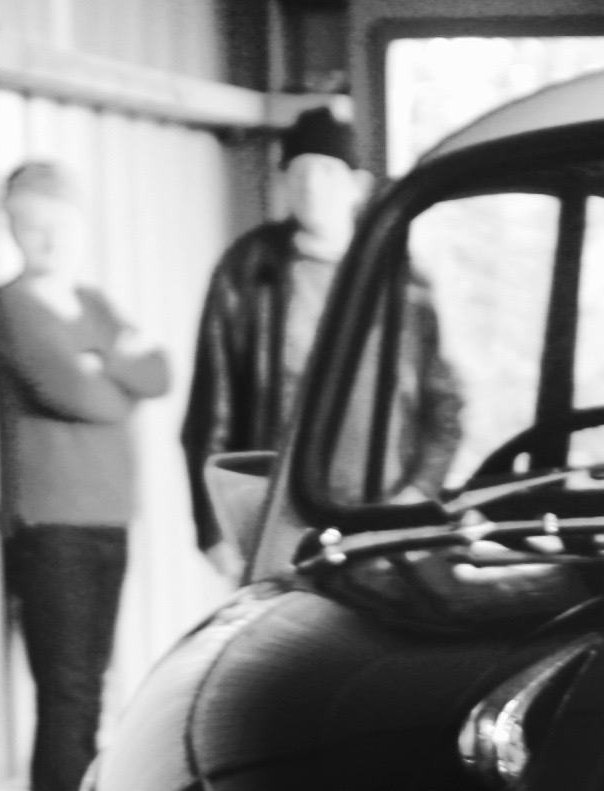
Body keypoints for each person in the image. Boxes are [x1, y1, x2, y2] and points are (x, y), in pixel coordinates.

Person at [181, 107, 460, 563]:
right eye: (298, 171)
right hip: (278, 523)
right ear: (283, 183)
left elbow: (444, 405)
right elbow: (212, 410)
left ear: (358, 185)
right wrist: (214, 528)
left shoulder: (401, 281)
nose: (311, 185)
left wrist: (416, 496)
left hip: (383, 522)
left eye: (327, 171)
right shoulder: (248, 271)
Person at [0, 160, 171, 791]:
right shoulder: (10, 306)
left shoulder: (92, 304)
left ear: (80, 224)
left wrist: (106, 363)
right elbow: (87, 398)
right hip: (50, 524)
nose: (48, 238)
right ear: (11, 229)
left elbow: (159, 376)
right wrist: (111, 371)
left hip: (111, 515)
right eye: (31, 225)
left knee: (93, 684)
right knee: (64, 692)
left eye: (58, 223)